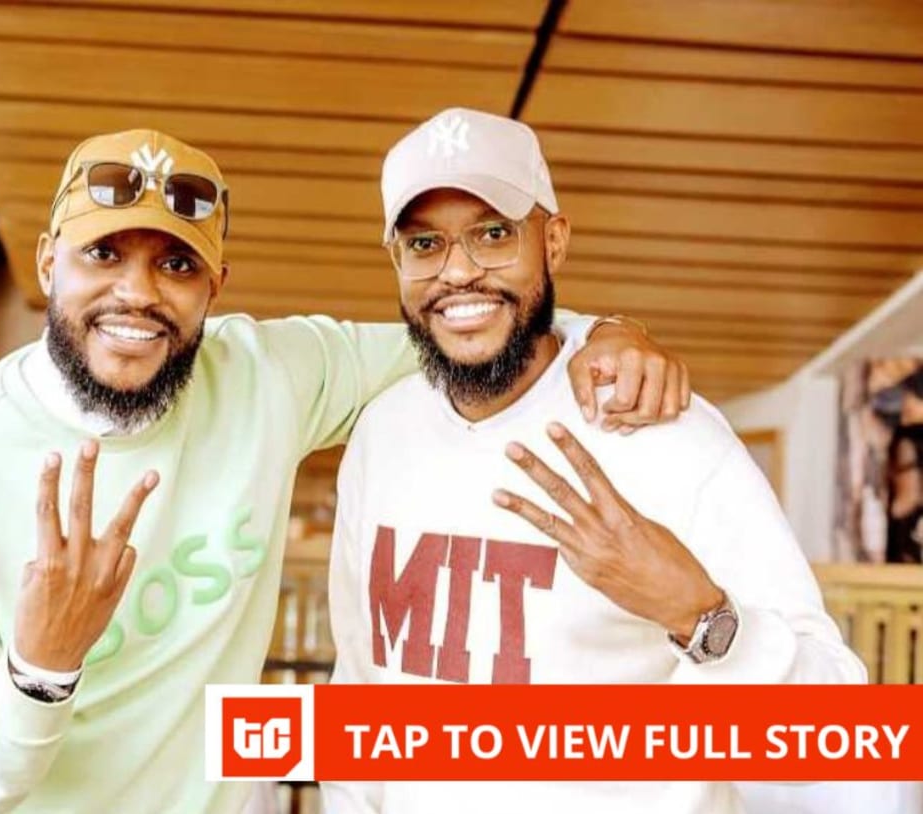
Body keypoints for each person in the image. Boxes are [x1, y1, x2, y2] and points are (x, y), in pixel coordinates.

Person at [0, 128, 690, 814]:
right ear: (51, 263)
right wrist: (38, 671)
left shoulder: (265, 374)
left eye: (177, 265)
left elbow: (463, 324)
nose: (137, 292)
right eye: (104, 253)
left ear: (216, 286)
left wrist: (606, 329)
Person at [323, 108, 867, 814]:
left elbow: (841, 744)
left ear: (553, 242)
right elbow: (362, 689)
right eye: (426, 243)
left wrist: (700, 615)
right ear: (397, 261)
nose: (457, 271)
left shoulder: (665, 431)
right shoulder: (381, 432)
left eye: (493, 234)